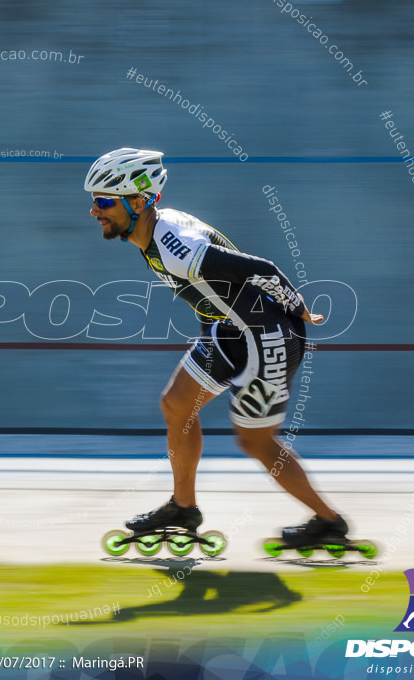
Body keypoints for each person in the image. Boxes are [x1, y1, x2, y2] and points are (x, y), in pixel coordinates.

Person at [84, 148, 352, 546]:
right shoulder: (151, 230)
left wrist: (299, 308)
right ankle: (183, 508)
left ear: (138, 202)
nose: (94, 212)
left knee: (254, 441)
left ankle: (329, 522)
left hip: (267, 337)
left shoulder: (177, 248)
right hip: (228, 331)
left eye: (104, 202)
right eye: (94, 202)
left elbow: (262, 269)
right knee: (177, 404)